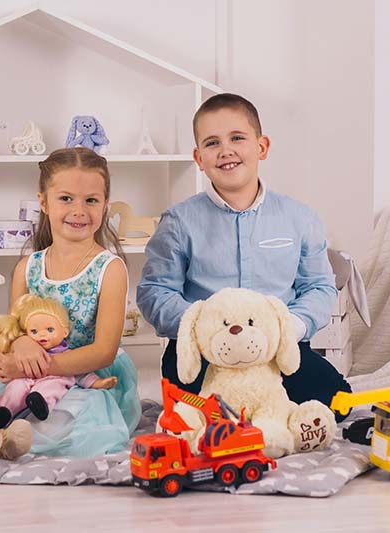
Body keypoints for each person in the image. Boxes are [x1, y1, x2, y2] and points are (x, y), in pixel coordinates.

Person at [137, 93, 351, 417]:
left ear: (261, 147)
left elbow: (319, 287)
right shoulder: (179, 222)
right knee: (195, 419)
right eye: (212, 143)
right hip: (204, 356)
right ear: (198, 157)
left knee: (338, 403)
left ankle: (277, 421)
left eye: (237, 138)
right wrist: (204, 331)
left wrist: (285, 330)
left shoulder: (300, 218)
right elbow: (155, 292)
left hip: (278, 351)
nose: (226, 151)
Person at [0, 146, 140, 456]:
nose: (79, 210)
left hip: (89, 374)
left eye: (91, 200)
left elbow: (103, 351)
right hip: (34, 372)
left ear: (105, 204)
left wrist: (38, 369)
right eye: (66, 198)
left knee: (69, 423)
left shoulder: (109, 269)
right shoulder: (27, 268)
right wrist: (20, 346)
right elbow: (11, 331)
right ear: (42, 201)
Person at [0, 294, 117, 429]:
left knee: (52, 387)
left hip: (52, 380)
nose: (42, 334)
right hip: (25, 379)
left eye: (49, 330)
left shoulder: (67, 355)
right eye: (34, 331)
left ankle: (41, 404)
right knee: (15, 388)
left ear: (64, 332)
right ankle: (3, 411)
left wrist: (99, 383)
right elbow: (9, 370)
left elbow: (82, 374)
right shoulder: (28, 353)